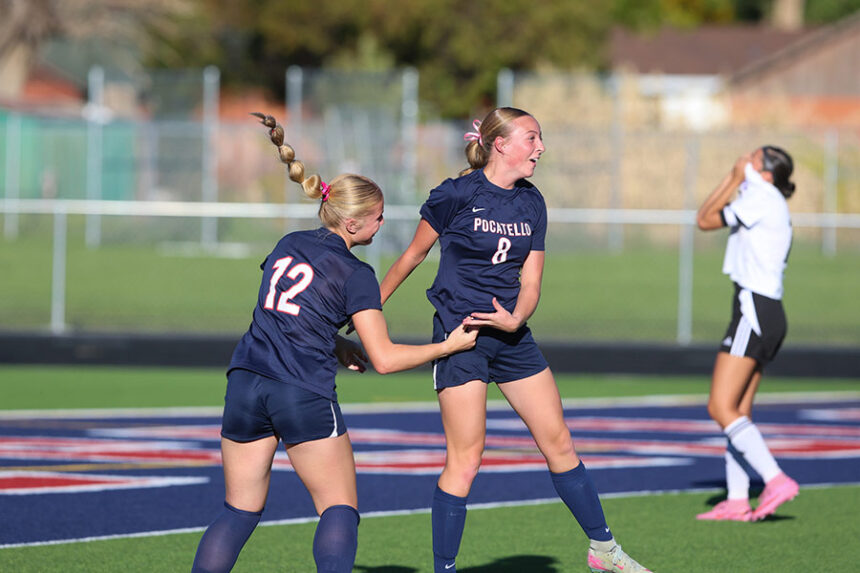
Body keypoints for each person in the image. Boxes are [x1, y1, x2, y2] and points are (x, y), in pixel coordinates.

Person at [190, 113, 478, 573]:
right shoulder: (358, 274)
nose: (382, 225)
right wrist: (448, 347)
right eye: (377, 218)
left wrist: (338, 346)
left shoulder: (289, 242)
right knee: (339, 508)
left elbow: (287, 311)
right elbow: (383, 359)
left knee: (239, 510)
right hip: (300, 389)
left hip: (244, 383)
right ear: (352, 223)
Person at [378, 107, 652, 573]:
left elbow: (532, 280)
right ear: (499, 144)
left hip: (512, 336)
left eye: (540, 138)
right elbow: (412, 255)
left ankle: (604, 551)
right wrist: (369, 309)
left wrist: (516, 318)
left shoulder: (532, 201)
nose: (540, 147)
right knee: (466, 459)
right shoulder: (455, 194)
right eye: (531, 138)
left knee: (559, 441)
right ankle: (444, 568)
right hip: (459, 337)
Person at [694, 146, 799, 522]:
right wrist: (741, 177)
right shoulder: (766, 197)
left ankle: (775, 479)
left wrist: (734, 177)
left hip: (753, 310)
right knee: (739, 412)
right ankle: (738, 499)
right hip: (766, 312)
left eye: (754, 159)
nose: (744, 159)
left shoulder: (760, 195)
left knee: (719, 407)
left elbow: (704, 219)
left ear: (767, 174)